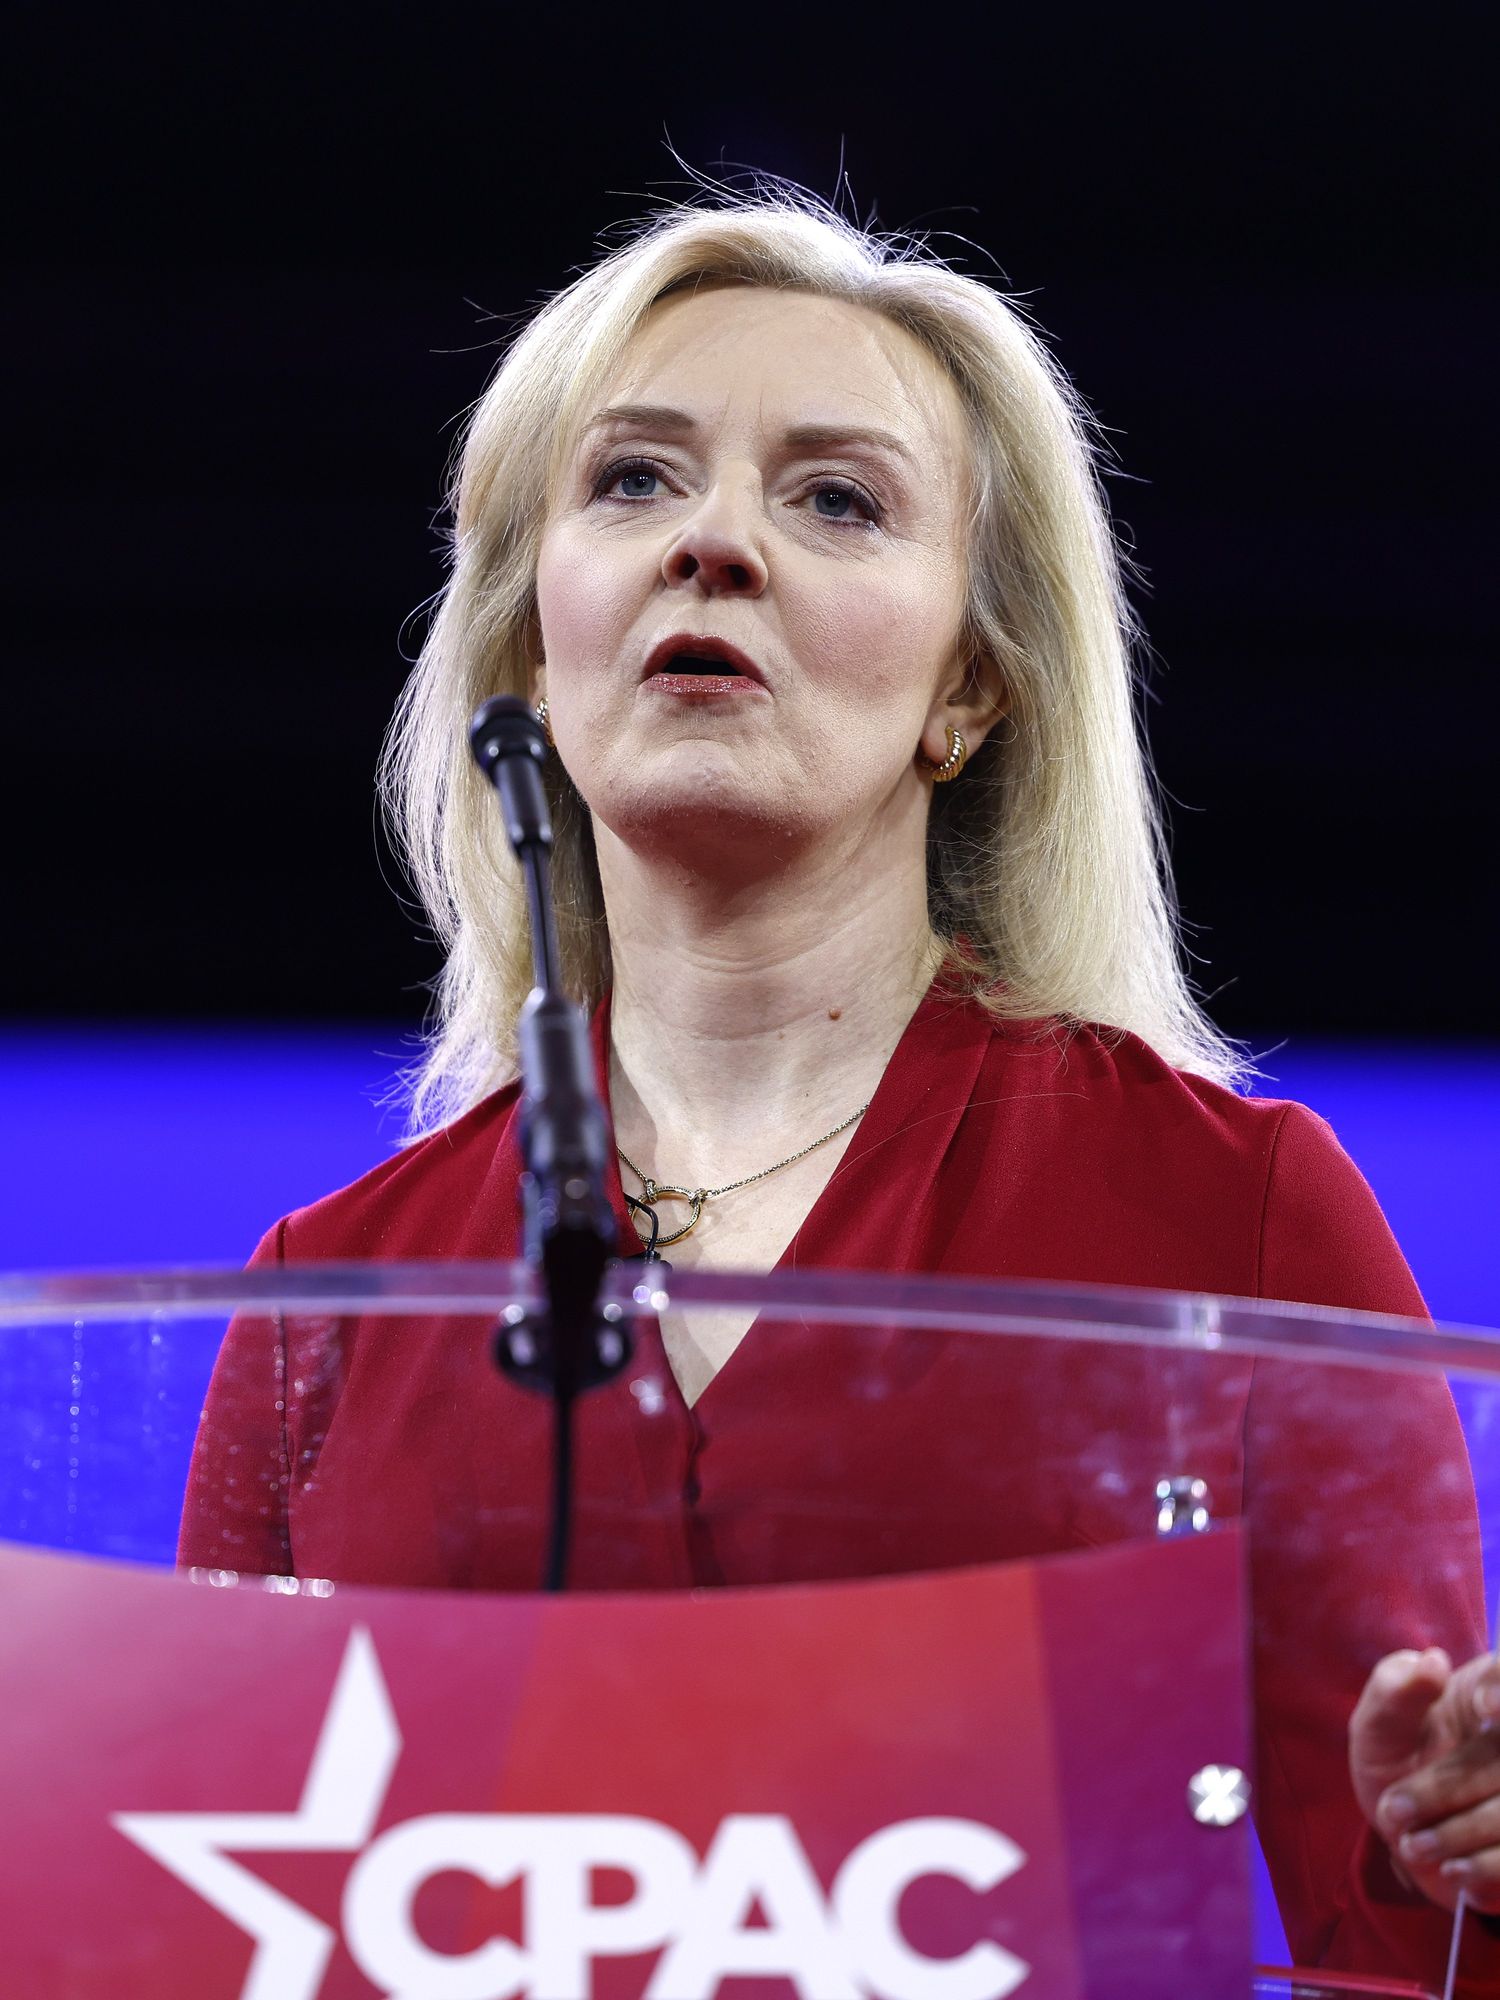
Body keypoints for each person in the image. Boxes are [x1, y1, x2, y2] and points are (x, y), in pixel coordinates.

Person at [180, 187, 1500, 1984]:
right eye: (634, 481)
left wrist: (1474, 1852)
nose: (713, 544)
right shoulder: (320, 1308)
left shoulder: (1234, 1224)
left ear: (969, 690)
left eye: (837, 499)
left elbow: (1410, 1941)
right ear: (529, 659)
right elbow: (197, 1947)